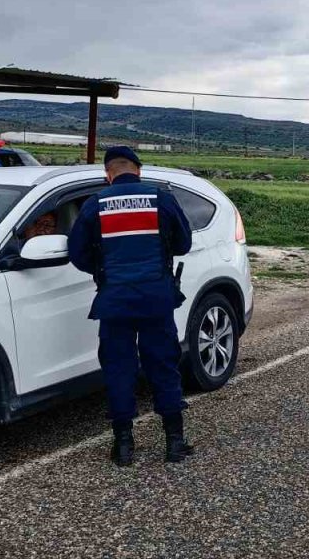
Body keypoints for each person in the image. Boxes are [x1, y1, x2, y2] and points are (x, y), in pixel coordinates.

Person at [68, 146, 194, 467]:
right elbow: (183, 243)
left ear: (108, 174)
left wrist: (102, 268)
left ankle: (123, 446)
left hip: (115, 301)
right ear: (138, 170)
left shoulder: (95, 205)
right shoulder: (160, 198)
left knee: (119, 369)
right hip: (157, 299)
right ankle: (174, 443)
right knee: (163, 365)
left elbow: (78, 255)